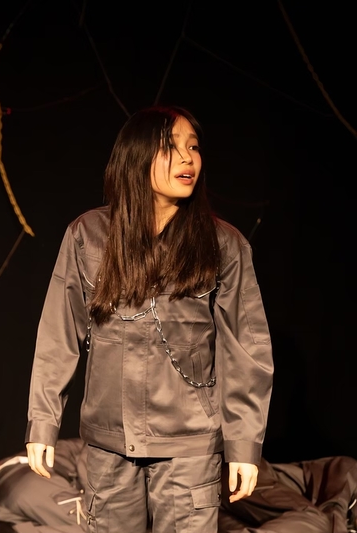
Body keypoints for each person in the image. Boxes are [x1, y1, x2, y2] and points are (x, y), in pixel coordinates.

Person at [24, 106, 274, 532]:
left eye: (193, 147)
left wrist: (244, 444)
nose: (187, 158)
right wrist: (43, 422)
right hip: (109, 446)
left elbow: (247, 349)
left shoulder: (223, 244)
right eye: (171, 148)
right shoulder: (87, 235)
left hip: (189, 448)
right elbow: (58, 335)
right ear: (136, 156)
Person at [219, 455, 357, 533]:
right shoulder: (351, 472)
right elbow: (333, 510)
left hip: (227, 514)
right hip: (243, 481)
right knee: (316, 520)